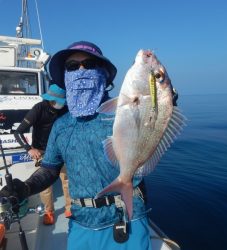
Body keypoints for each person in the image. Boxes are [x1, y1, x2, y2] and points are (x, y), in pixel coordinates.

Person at [0, 41, 152, 250]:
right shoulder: (61, 126)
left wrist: (160, 102)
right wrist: (26, 187)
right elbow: (50, 169)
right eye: (72, 67)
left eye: (89, 64)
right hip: (81, 224)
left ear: (105, 73)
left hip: (127, 219)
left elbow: (151, 122)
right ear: (65, 77)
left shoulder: (124, 112)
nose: (81, 71)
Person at [13, 84, 71, 225]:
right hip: (43, 152)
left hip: (62, 151)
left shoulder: (66, 109)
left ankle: (70, 208)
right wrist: (29, 148)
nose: (61, 104)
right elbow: (17, 132)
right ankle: (48, 211)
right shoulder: (38, 108)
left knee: (67, 181)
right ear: (51, 100)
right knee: (45, 185)